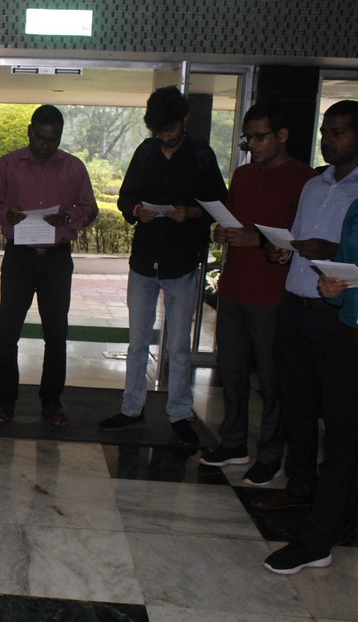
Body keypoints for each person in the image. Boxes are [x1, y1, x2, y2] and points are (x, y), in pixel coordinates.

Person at [98, 85, 227, 445]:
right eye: (159, 131)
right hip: (144, 261)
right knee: (137, 342)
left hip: (182, 262)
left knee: (179, 346)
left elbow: (219, 205)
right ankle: (131, 408)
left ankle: (180, 414)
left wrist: (192, 213)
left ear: (185, 119)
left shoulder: (201, 155)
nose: (166, 137)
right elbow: (126, 198)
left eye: (170, 129)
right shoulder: (145, 152)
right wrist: (137, 210)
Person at [199, 102, 318, 485]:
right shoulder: (244, 175)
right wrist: (223, 232)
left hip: (274, 294)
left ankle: (270, 454)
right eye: (247, 138)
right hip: (234, 287)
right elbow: (233, 218)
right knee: (231, 372)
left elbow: (306, 238)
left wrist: (257, 240)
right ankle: (233, 442)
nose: (251, 145)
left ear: (282, 135)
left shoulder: (305, 180)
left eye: (259, 137)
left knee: (272, 381)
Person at [252, 100, 358, 511]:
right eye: (324, 133)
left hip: (336, 317)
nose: (328, 140)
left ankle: (335, 502)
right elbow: (296, 239)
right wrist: (280, 251)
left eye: (338, 133)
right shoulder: (313, 185)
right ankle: (299, 486)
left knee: (338, 413)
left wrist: (329, 249)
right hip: (295, 306)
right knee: (294, 404)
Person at [0, 105, 98, 427]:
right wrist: (6, 214)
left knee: (56, 335)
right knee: (7, 333)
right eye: (40, 138)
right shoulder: (9, 164)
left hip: (56, 260)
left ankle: (52, 402)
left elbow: (90, 208)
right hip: (19, 258)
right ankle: (6, 400)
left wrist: (68, 218)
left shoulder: (74, 167)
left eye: (53, 140)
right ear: (30, 132)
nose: (46, 146)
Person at [264, 193, 358, 575]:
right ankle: (317, 540)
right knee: (340, 443)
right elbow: (345, 270)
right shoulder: (356, 208)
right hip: (349, 335)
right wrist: (334, 289)